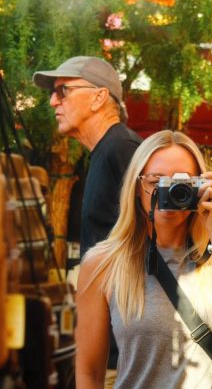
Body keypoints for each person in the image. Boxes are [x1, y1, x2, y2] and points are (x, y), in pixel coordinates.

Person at [76, 130, 212, 388]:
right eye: (155, 182)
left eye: (181, 183)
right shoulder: (102, 263)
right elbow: (89, 372)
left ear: (201, 185)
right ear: (136, 187)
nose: (170, 192)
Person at [33, 56, 142, 384]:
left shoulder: (122, 148)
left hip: (126, 357)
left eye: (63, 91)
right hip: (110, 349)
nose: (53, 102)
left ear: (99, 97)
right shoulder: (106, 151)